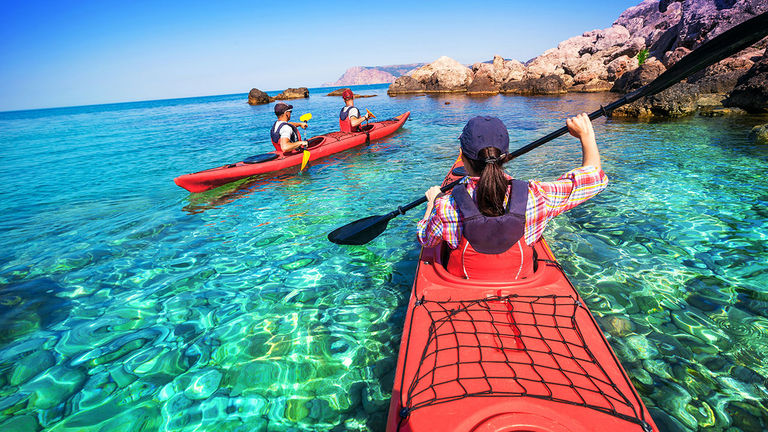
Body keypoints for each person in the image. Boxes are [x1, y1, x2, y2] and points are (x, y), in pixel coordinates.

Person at [417, 114, 608, 281]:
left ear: (463, 157)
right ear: (505, 156)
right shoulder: (536, 197)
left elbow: (425, 239)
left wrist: (432, 204)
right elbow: (595, 179)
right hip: (520, 284)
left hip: (463, 285)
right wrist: (586, 135)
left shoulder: (445, 207)